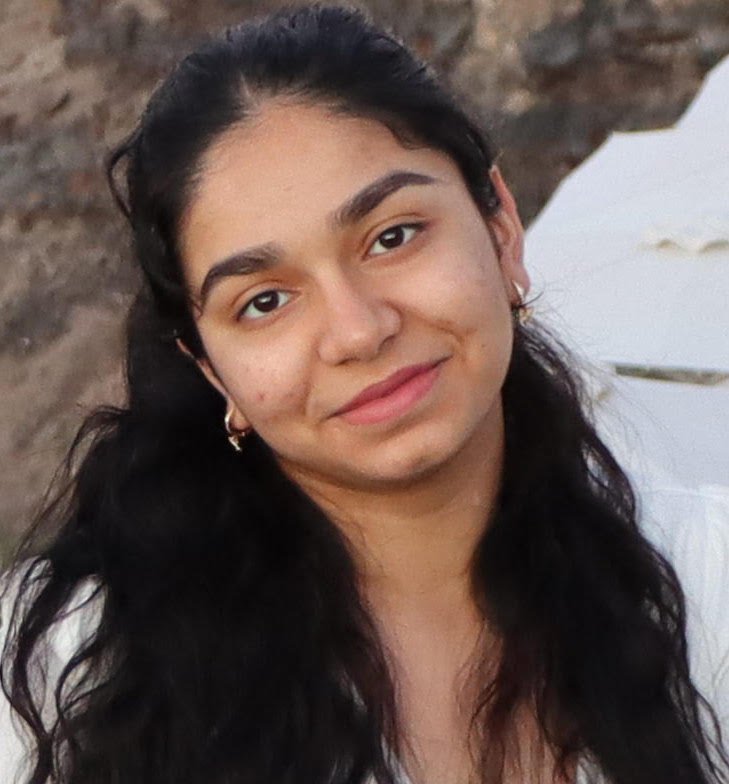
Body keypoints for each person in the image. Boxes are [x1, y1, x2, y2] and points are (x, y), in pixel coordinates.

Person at [1, 5, 727, 784]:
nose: (357, 331)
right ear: (213, 370)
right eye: (264, 301)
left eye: (392, 236)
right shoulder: (63, 669)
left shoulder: (708, 584)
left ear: (500, 226)